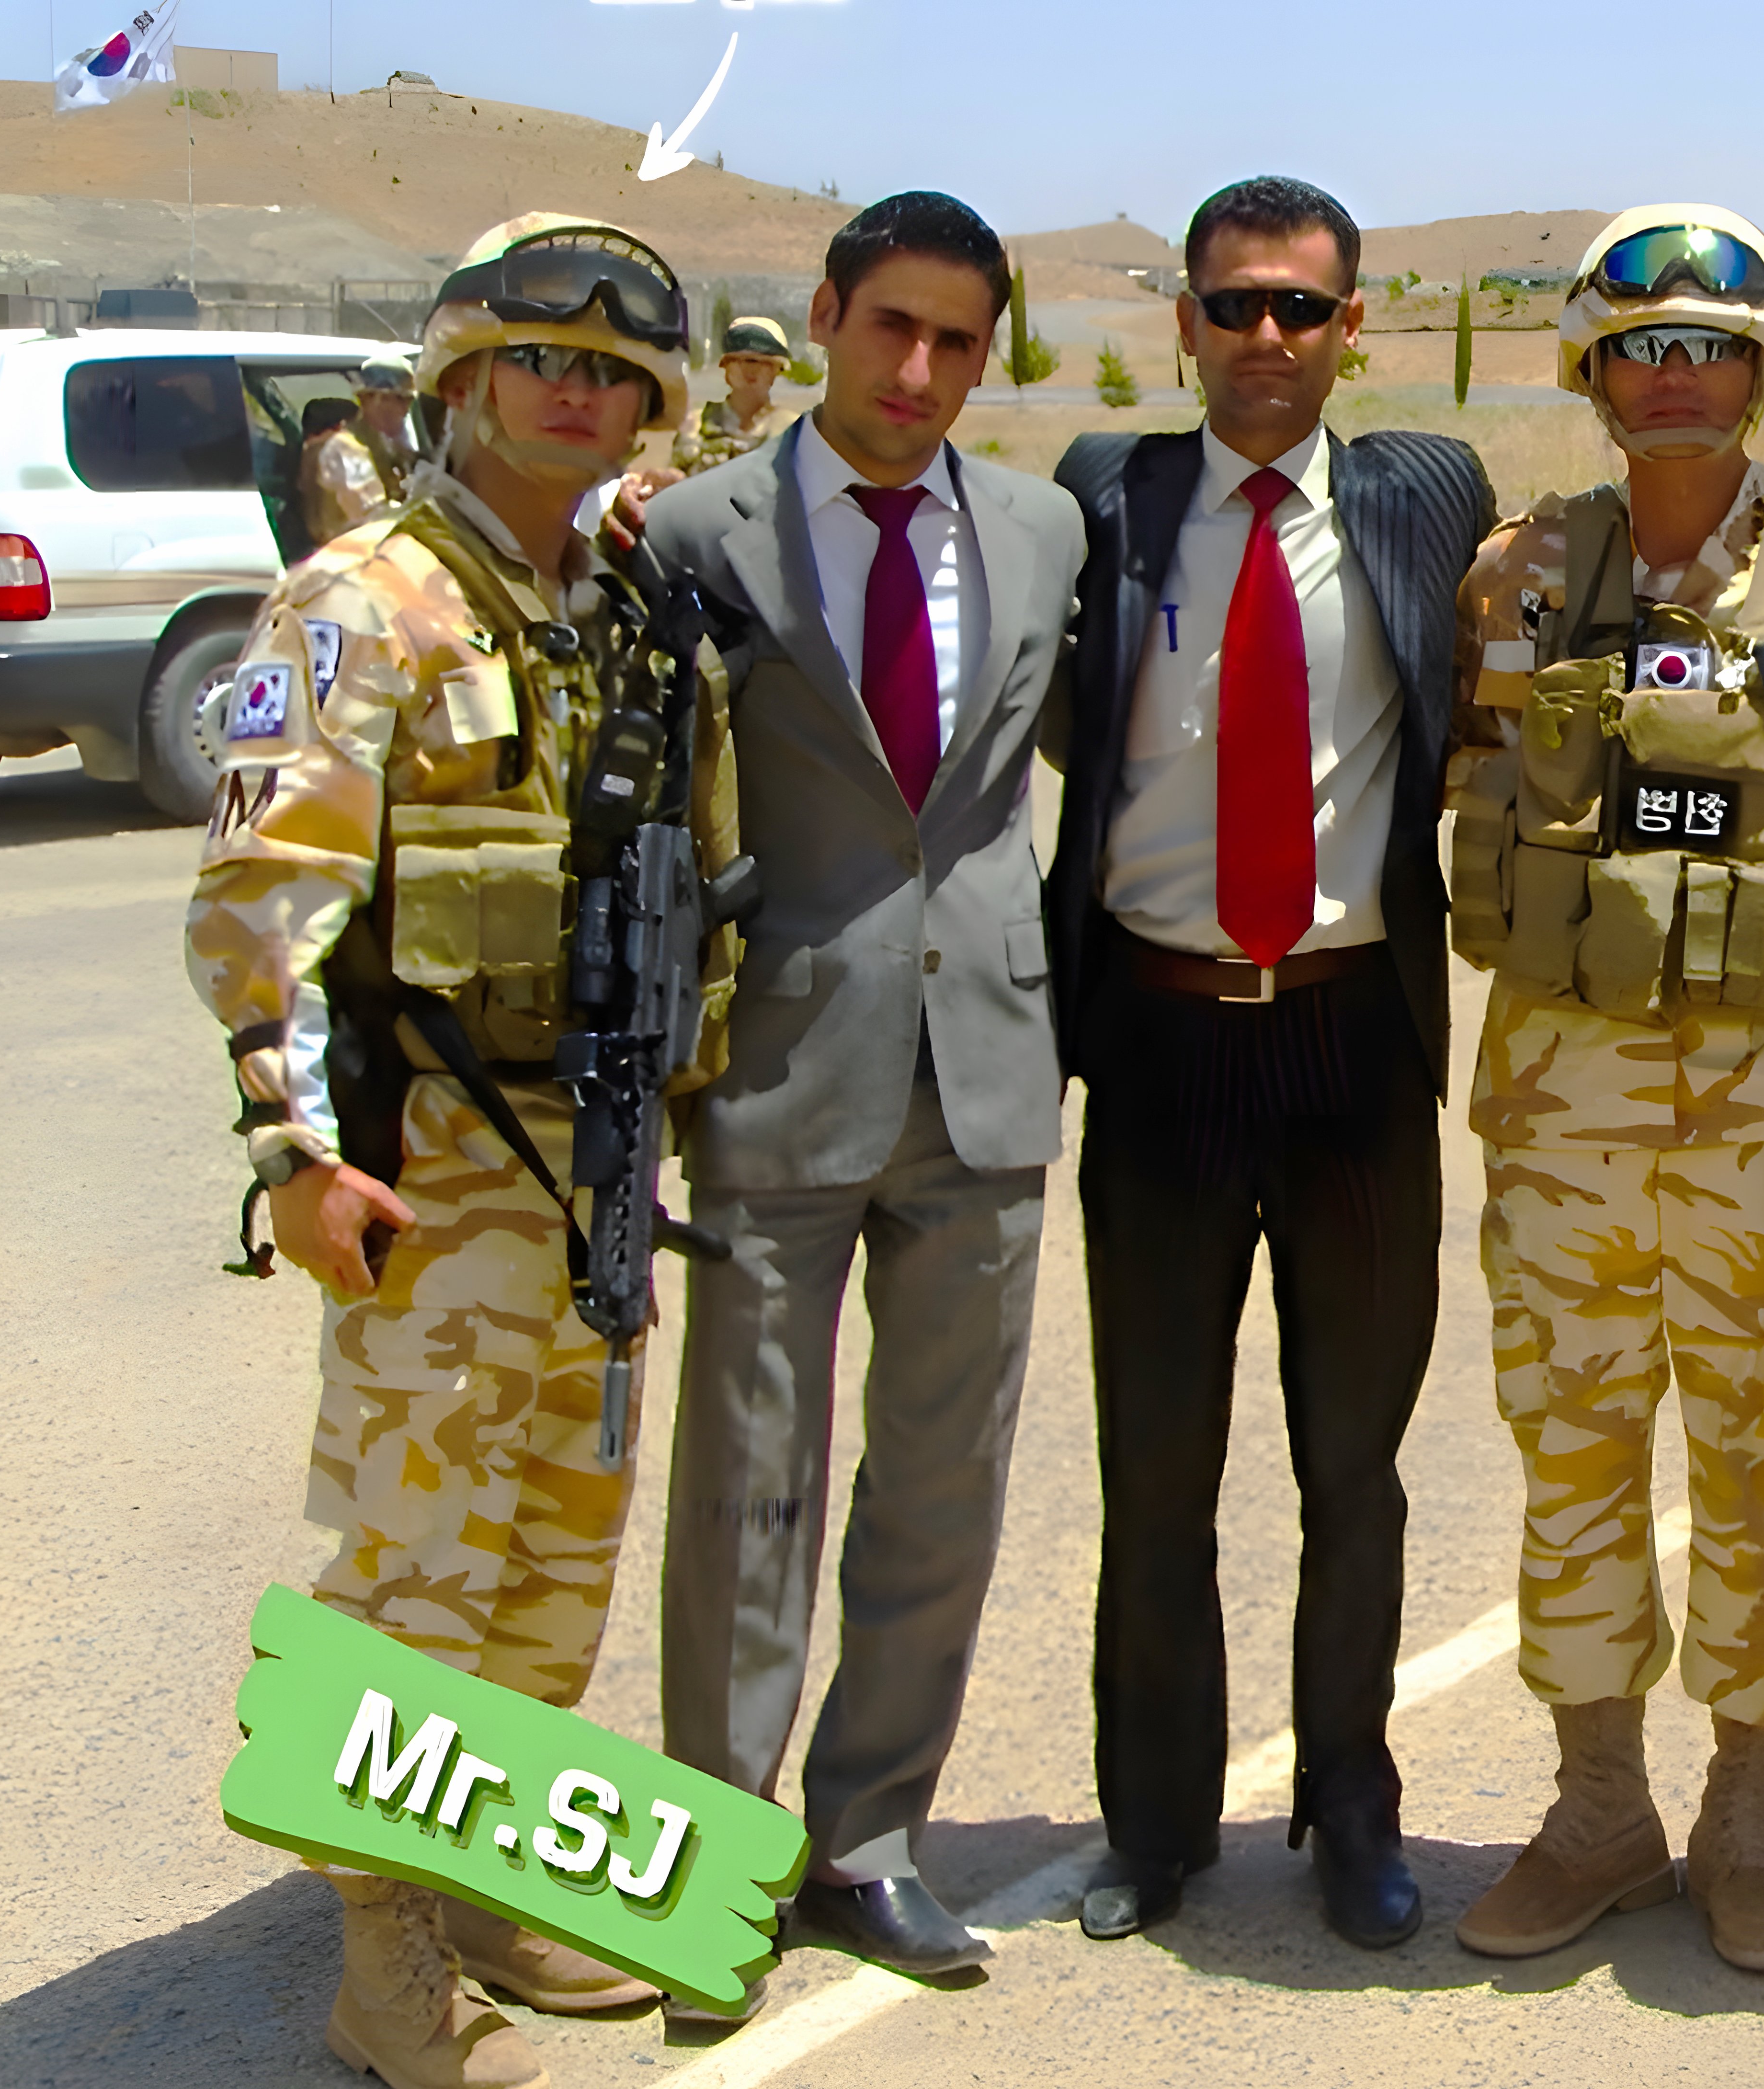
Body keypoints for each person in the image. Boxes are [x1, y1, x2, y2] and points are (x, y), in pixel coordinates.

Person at [188, 213, 736, 2089]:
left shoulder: (619, 607)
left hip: (591, 1157)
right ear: (463, 377)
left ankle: (491, 1879)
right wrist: (290, 1150)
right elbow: (262, 902)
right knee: (420, 1569)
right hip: (430, 1164)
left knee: (555, 1559)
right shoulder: (365, 604)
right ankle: (385, 1955)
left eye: (610, 373)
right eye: (540, 361)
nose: (574, 395)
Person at [1443, 204, 1764, 1974]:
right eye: (1642, 347)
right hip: (1563, 1111)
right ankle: (1600, 1806)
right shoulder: (1517, 576)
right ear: (1594, 373)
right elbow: (1468, 777)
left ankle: (1746, 1812)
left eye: (1710, 349)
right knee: (1571, 1450)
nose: (1675, 376)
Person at [646, 193, 1087, 2015]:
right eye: (891, 325)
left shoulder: (1046, 532)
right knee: (747, 1485)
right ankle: (715, 1857)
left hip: (984, 1068)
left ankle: (869, 1836)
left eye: (957, 342)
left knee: (942, 1483)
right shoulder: (696, 530)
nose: (918, 371)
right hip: (782, 1069)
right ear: (825, 314)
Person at [1042, 175, 1493, 1952]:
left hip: (1350, 1044)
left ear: (1351, 327)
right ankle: (1154, 1821)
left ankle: (1353, 1803)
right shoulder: (1104, 492)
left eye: (1302, 306)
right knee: (1154, 1467)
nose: (1267, 337)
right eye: (1233, 303)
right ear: (1184, 321)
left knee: (1352, 1467)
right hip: (1157, 1040)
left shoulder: (1426, 491)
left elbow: (1588, 569)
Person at [671, 315, 797, 475]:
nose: (750, 370)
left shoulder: (791, 429)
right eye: (739, 361)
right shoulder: (696, 425)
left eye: (761, 362)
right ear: (726, 367)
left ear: (777, 370)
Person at [296, 393, 389, 546]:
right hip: (355, 543)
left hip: (324, 544)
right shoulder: (342, 447)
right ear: (341, 425)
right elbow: (366, 502)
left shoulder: (306, 453)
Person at [354, 352, 419, 497]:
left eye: (409, 401)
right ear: (368, 399)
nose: (405, 409)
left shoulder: (404, 437)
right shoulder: (352, 444)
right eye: (399, 399)